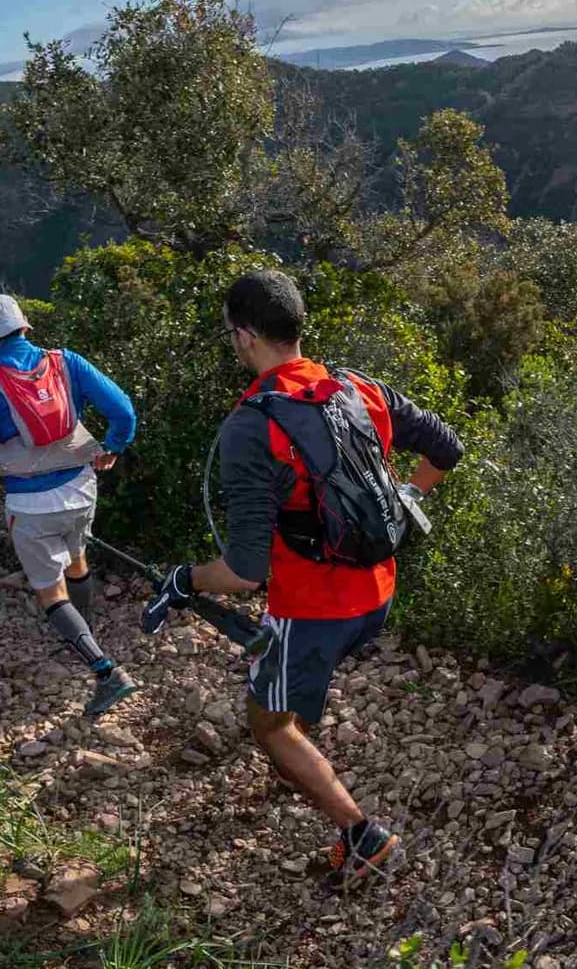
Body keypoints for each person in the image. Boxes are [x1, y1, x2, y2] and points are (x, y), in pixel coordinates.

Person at [141, 269, 463, 887]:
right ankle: (299, 759)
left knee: (268, 724)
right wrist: (406, 498)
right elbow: (446, 445)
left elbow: (243, 571)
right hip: (379, 593)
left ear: (243, 337)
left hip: (313, 609)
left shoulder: (251, 425)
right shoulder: (356, 387)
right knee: (292, 695)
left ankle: (360, 833)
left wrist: (186, 577)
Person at [0, 293, 141, 718]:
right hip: (81, 487)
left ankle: (105, 672)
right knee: (77, 557)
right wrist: (111, 447)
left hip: (31, 503)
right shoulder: (66, 361)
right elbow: (124, 412)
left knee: (48, 590)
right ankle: (85, 627)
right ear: (25, 327)